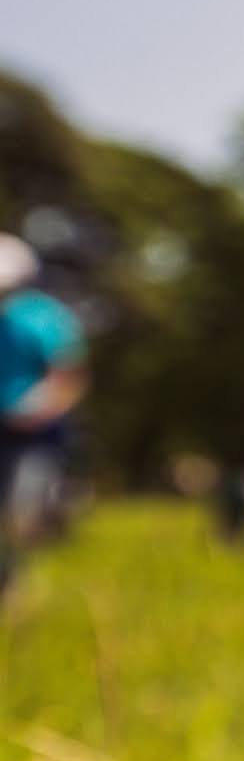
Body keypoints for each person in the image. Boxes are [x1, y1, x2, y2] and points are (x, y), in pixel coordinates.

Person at [0, 234, 87, 581]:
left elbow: (69, 374)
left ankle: (17, 579)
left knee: (24, 506)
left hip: (37, 432)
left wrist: (42, 410)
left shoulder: (43, 317)